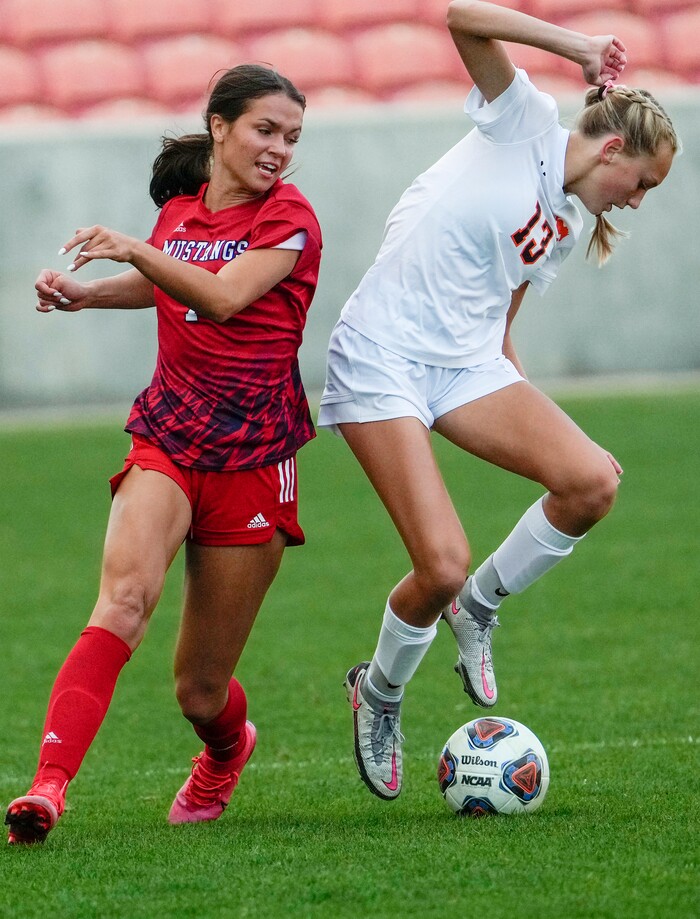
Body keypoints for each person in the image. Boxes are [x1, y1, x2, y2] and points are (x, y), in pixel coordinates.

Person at [318, 0, 679, 800]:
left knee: (592, 480)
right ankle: (376, 691)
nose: (637, 201)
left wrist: (541, 420)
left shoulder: (561, 220)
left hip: (466, 365)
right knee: (437, 563)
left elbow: (498, 325)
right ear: (613, 147)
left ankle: (479, 607)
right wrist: (579, 45)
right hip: (383, 358)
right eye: (642, 182)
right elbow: (461, 16)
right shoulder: (526, 121)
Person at [5, 64, 322, 844]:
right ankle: (47, 787)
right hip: (169, 436)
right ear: (219, 126)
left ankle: (225, 752)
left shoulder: (292, 221)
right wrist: (90, 294)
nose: (280, 148)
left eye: (292, 137)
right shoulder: (181, 211)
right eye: (265, 130)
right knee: (121, 602)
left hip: (254, 458)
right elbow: (169, 284)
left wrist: (130, 249)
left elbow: (217, 297)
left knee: (200, 691)